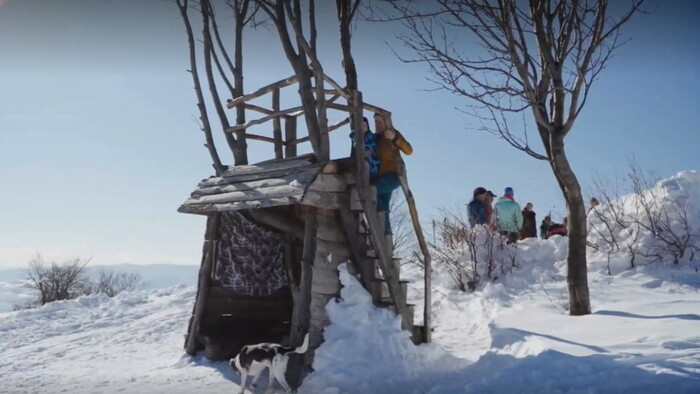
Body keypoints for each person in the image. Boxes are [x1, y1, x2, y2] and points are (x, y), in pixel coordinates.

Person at [372, 112, 413, 235]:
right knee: (382, 205)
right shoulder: (375, 138)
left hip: (393, 176)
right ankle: (386, 233)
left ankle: (384, 230)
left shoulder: (392, 134)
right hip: (380, 177)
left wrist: (395, 138)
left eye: (379, 122)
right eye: (375, 122)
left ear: (386, 122)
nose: (377, 125)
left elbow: (409, 150)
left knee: (372, 189)